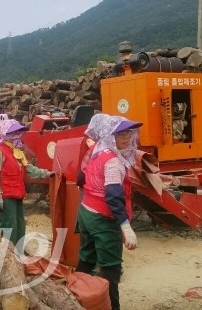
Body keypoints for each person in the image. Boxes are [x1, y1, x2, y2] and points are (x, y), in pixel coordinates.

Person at [75, 115, 142, 310]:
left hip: (86, 213)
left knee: (86, 260)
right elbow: (113, 195)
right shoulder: (113, 161)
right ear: (109, 136)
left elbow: (80, 178)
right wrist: (125, 226)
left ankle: (77, 299)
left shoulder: (97, 152)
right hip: (103, 220)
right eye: (120, 133)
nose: (126, 138)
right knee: (110, 269)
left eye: (129, 132)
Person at [0, 118, 55, 250]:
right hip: (5, 196)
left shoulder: (17, 151)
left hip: (17, 194)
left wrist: (46, 173)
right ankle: (7, 254)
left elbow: (28, 169)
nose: (17, 135)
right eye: (13, 132)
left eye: (18, 132)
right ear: (4, 134)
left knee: (19, 225)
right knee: (9, 226)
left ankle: (17, 253)